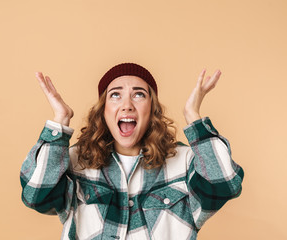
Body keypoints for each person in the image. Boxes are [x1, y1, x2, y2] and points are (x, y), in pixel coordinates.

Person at [20, 63, 244, 240]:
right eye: (115, 95)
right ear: (104, 110)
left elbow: (224, 185)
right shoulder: (77, 160)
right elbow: (36, 195)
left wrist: (193, 117)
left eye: (139, 94)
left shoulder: (184, 161)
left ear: (152, 109)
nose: (127, 104)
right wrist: (59, 122)